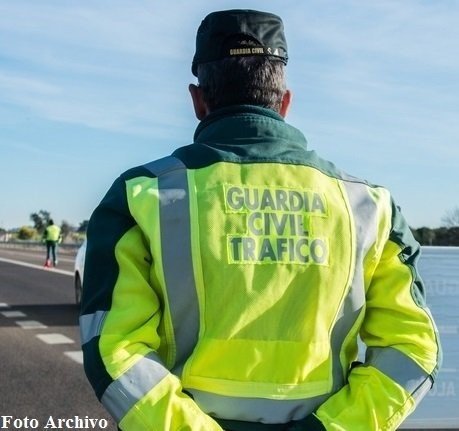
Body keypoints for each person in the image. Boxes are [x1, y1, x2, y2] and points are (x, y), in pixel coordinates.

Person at [79, 9, 441, 431]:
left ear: (198, 100)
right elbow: (411, 350)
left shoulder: (142, 194)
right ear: (285, 102)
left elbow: (114, 348)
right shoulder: (369, 205)